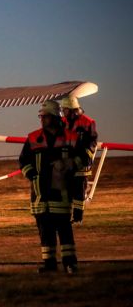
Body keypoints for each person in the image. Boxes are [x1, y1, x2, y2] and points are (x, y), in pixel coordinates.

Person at [19, 100, 83, 274]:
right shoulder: (33, 138)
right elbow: (23, 160)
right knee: (45, 231)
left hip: (61, 194)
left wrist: (68, 164)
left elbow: (82, 160)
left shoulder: (71, 137)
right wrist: (31, 174)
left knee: (64, 230)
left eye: (45, 116)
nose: (42, 119)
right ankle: (49, 264)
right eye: (41, 116)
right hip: (40, 195)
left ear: (55, 117)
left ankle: (70, 263)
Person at [60, 95, 98, 224]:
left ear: (72, 109)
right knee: (66, 190)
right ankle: (65, 216)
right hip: (67, 162)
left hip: (81, 163)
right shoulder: (63, 121)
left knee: (79, 192)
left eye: (65, 110)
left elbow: (92, 143)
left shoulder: (88, 122)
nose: (63, 112)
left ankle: (77, 218)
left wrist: (84, 158)